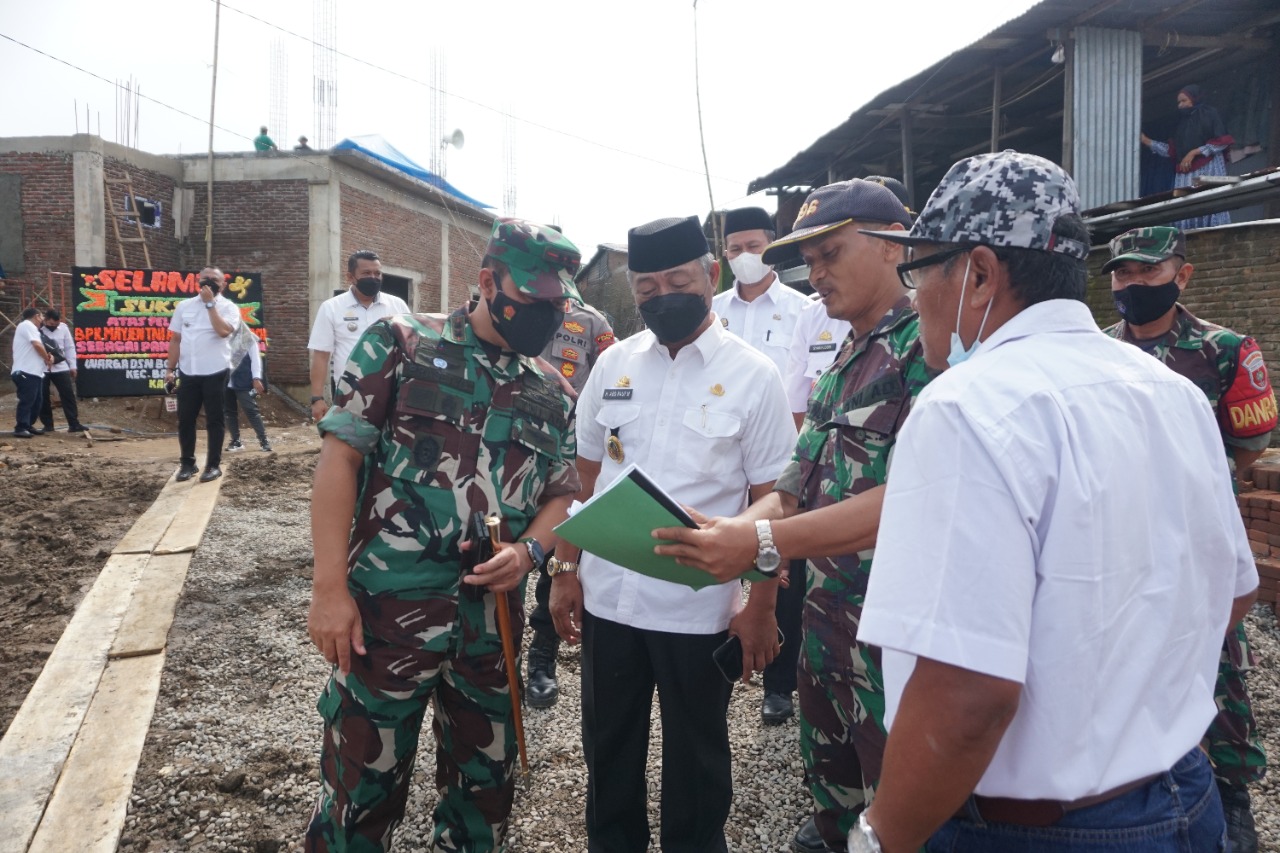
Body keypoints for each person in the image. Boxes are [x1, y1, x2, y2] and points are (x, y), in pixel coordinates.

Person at [840, 150, 1254, 853]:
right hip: (1185, 796)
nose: (915, 300)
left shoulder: (967, 408)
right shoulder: (1172, 393)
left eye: (921, 273)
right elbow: (1232, 593)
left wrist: (880, 835)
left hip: (1031, 830)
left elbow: (968, 694)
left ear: (977, 273)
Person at [653, 180, 930, 853]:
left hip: (900, 644)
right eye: (811, 260)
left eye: (832, 253)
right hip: (831, 635)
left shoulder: (933, 349)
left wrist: (760, 539)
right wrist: (742, 532)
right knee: (835, 815)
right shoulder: (841, 362)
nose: (818, 274)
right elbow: (794, 484)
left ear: (896, 246)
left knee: (904, 824)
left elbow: (913, 502)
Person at [304, 218, 583, 853]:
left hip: (491, 629)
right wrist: (328, 588)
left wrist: (531, 550)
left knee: (483, 799)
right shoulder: (402, 342)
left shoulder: (549, 390)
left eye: (557, 306)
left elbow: (563, 494)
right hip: (385, 617)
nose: (547, 315)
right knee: (359, 795)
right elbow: (339, 458)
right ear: (488, 282)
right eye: (535, 300)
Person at [549, 215, 796, 853]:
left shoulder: (754, 375)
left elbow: (775, 497)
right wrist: (565, 571)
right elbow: (584, 477)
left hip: (699, 608)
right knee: (607, 752)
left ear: (709, 276)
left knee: (697, 765)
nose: (663, 295)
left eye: (678, 280)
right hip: (609, 600)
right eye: (647, 286)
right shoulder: (613, 365)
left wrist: (761, 604)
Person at [1102, 225, 1275, 853]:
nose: (1132, 285)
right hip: (1119, 538)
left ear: (1183, 274)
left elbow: (1252, 446)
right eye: (1122, 274)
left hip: (1196, 538)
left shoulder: (1224, 349)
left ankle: (1233, 790)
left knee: (1218, 658)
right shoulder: (1097, 350)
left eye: (1147, 272)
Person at [706, 205, 810, 728]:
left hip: (779, 456)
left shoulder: (802, 309)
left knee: (780, 564)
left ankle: (778, 681)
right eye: (732, 248)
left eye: (752, 246)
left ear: (772, 244)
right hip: (721, 449)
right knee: (720, 543)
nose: (742, 256)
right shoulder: (712, 308)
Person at [525, 297, 615, 709]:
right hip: (511, 452)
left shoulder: (593, 322)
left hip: (567, 450)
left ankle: (541, 661)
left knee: (555, 556)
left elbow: (616, 374)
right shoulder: (512, 311)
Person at [307, 250, 411, 423]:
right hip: (349, 392)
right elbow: (321, 355)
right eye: (366, 273)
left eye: (377, 273)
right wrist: (316, 398)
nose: (373, 277)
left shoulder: (397, 305)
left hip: (391, 390)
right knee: (348, 443)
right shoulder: (331, 308)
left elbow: (410, 346)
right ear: (350, 277)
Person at [166, 267, 241, 482]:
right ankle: (188, 464)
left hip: (216, 370)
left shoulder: (228, 307)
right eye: (205, 279)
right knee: (185, 418)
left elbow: (224, 331)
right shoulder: (184, 306)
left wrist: (210, 305)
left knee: (215, 419)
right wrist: (169, 369)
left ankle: (213, 465)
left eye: (214, 279)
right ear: (197, 281)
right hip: (189, 371)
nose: (209, 282)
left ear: (223, 284)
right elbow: (176, 339)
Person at [1141, 84, 1234, 228]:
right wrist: (1147, 141)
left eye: (1184, 101)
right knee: (1186, 208)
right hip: (1185, 176)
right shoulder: (1180, 124)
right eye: (1179, 102)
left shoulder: (1209, 114)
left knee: (1208, 204)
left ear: (1194, 99)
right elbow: (1171, 151)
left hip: (1207, 170)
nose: (1180, 105)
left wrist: (1194, 152)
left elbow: (1221, 142)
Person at [38, 308, 85, 433]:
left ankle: (74, 424)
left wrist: (73, 366)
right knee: (43, 397)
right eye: (52, 324)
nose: (54, 326)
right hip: (42, 368)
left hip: (61, 367)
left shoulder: (63, 328)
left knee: (68, 395)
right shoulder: (38, 330)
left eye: (56, 324)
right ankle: (48, 425)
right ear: (46, 320)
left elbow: (69, 347)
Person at [10, 307, 53, 438]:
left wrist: (46, 357)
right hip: (25, 371)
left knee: (37, 401)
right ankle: (21, 427)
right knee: (28, 400)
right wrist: (46, 358)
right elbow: (37, 345)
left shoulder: (32, 329)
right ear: (36, 316)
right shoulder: (27, 325)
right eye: (40, 317)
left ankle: (28, 424)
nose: (41, 321)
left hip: (34, 372)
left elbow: (38, 348)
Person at [224, 340, 272, 453]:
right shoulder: (222, 337)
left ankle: (264, 441)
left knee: (251, 410)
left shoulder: (247, 338)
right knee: (229, 412)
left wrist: (256, 378)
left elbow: (256, 360)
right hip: (226, 381)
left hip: (243, 381)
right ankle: (236, 441)